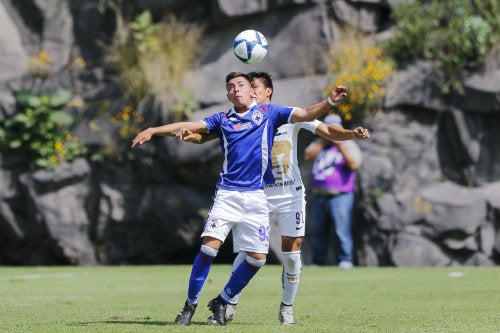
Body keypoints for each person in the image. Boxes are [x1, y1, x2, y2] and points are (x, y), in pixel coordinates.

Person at [131, 72, 348, 326]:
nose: (236, 90)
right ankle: (189, 306)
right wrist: (154, 130)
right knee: (208, 249)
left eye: (241, 85)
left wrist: (330, 102)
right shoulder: (222, 119)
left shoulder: (270, 114)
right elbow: (191, 127)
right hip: (227, 194)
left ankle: (222, 300)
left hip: (257, 196)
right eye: (231, 87)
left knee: (257, 259)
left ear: (251, 92)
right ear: (227, 95)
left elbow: (307, 114)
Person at [303, 114, 362, 268]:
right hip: (319, 194)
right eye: (329, 129)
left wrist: (340, 144)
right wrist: (324, 141)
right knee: (318, 231)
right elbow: (308, 156)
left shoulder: (349, 144)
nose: (332, 132)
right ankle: (317, 261)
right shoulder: (318, 143)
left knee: (341, 231)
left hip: (341, 195)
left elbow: (354, 164)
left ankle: (345, 260)